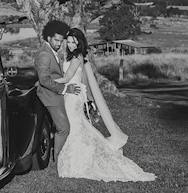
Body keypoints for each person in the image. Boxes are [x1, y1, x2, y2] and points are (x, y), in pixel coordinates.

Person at [54, 28, 156, 182]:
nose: (70, 45)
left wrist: (48, 81)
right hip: (72, 94)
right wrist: (86, 96)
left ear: (79, 43)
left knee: (74, 126)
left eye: (73, 43)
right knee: (77, 125)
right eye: (68, 42)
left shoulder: (76, 58)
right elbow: (83, 79)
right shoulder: (74, 57)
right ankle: (80, 153)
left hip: (73, 96)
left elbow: (68, 76)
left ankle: (76, 159)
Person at [35, 20, 81, 163]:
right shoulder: (44, 54)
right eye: (56, 40)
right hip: (50, 96)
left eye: (61, 41)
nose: (59, 44)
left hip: (56, 94)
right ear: (48, 37)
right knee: (64, 128)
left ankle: (61, 157)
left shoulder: (51, 51)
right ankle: (59, 161)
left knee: (62, 128)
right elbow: (44, 80)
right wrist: (66, 88)